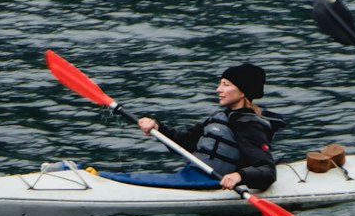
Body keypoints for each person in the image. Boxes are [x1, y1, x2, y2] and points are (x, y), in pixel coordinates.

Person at [119, 63, 285, 190]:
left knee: (126, 180)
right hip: (192, 177)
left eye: (226, 85)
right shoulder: (221, 117)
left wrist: (239, 175)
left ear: (242, 92)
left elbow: (267, 171)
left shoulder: (249, 125)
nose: (218, 89)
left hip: (212, 184)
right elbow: (184, 142)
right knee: (120, 177)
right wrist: (157, 127)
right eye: (220, 84)